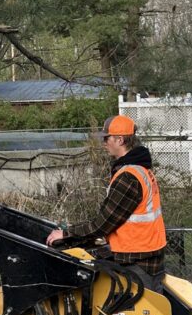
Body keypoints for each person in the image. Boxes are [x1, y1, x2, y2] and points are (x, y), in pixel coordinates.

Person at [46, 114, 166, 291]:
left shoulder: (128, 177)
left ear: (119, 140)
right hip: (146, 258)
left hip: (136, 263)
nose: (104, 143)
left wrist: (66, 234)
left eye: (106, 138)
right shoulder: (140, 169)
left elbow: (102, 224)